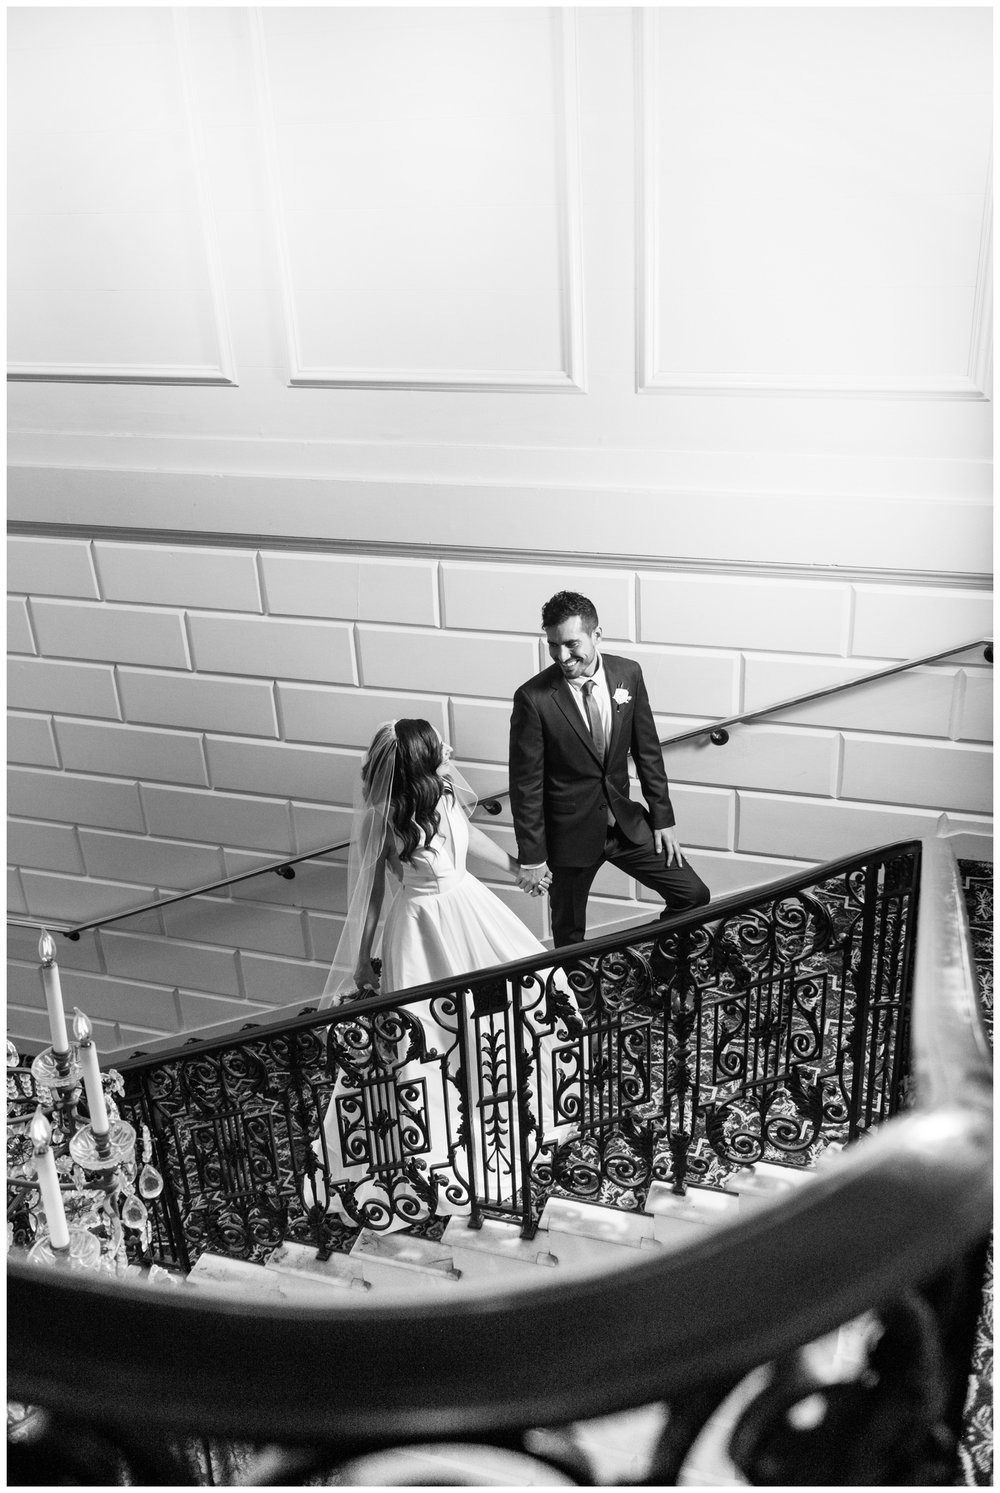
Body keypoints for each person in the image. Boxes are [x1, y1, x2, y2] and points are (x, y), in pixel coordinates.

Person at [317, 718, 576, 1233]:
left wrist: (518, 868)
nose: (447, 749)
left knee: (525, 997)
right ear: (418, 759)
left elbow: (469, 835)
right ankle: (439, 1143)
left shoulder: (444, 792)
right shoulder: (382, 818)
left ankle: (510, 1112)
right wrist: (362, 960)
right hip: (418, 926)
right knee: (430, 1040)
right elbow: (370, 895)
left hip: (469, 906)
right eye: (437, 746)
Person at [509, 590, 710, 949]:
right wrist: (533, 856)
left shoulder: (627, 674)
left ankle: (657, 967)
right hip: (568, 837)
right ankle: (578, 1003)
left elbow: (647, 751)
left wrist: (662, 818)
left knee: (693, 895)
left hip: (625, 825)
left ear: (597, 635)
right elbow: (526, 785)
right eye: (553, 645)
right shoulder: (533, 698)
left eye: (571, 644)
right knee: (569, 937)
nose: (561, 655)